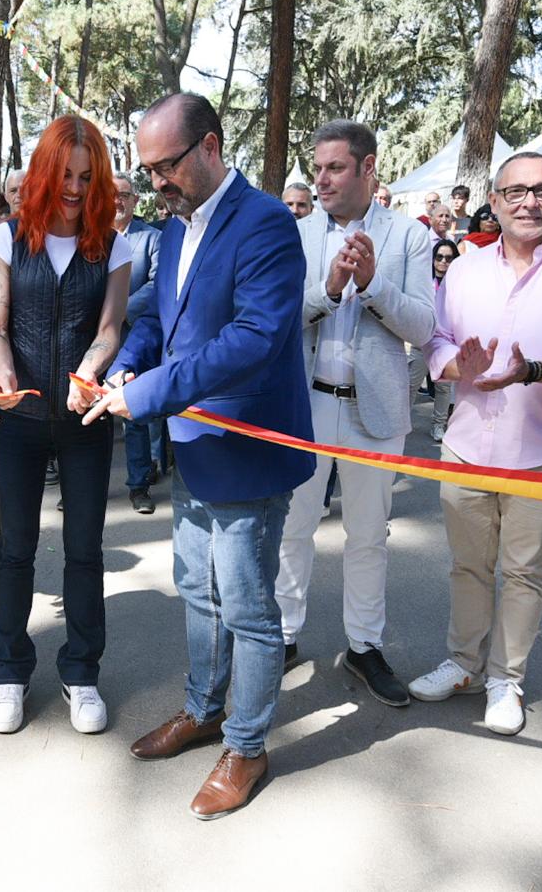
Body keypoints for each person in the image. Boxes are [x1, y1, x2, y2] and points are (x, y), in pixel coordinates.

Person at [84, 93, 313, 820]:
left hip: (248, 447)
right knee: (197, 588)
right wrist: (126, 366)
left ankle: (246, 746)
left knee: (247, 607)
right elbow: (157, 315)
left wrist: (149, 390)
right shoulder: (175, 229)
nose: (156, 183)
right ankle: (203, 710)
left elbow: (253, 338)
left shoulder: (268, 223)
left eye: (167, 166)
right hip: (194, 443)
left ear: (211, 146)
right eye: (146, 171)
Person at [409, 152, 542, 735]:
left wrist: (535, 371)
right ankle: (463, 663)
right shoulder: (465, 270)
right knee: (467, 565)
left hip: (540, 449)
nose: (531, 202)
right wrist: (457, 364)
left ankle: (506, 679)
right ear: (495, 202)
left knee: (524, 571)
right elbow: (438, 341)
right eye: (517, 192)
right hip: (467, 446)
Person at [273, 120, 434, 706]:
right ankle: (283, 636)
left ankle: (364, 648)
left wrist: (371, 285)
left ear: (368, 168)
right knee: (293, 528)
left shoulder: (410, 236)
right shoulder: (295, 233)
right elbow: (279, 319)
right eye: (316, 168)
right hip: (305, 404)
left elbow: (422, 326)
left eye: (334, 168)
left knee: (368, 536)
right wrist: (330, 289)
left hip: (376, 413)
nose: (321, 180)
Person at [0, 115, 130, 737]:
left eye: (86, 176)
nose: (73, 187)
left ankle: (82, 672)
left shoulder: (112, 245)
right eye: (64, 174)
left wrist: (89, 369)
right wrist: (4, 373)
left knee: (84, 548)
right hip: (19, 417)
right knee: (15, 548)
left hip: (85, 418)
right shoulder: (5, 238)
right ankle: (11, 672)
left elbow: (110, 329)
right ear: (43, 172)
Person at [114, 170, 162, 513]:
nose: (117, 201)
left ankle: (139, 485)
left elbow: (157, 284)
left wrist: (119, 311)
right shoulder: (90, 237)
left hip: (134, 335)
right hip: (92, 338)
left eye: (124, 195)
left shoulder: (151, 238)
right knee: (90, 413)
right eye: (111, 194)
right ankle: (82, 487)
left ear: (135, 201)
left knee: (135, 413)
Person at [423, 239, 460, 440]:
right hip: (422, 340)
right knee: (410, 384)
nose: (443, 261)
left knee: (444, 387)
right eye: (439, 257)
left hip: (446, 343)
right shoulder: (422, 281)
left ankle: (438, 425)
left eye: (449, 258)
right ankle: (404, 424)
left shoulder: (459, 284)